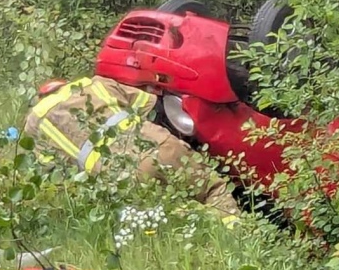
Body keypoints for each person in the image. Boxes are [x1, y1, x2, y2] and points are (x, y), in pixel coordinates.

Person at [24, 76, 239, 222]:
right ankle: (239, 235)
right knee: (213, 189)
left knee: (175, 215)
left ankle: (205, 228)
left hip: (121, 178)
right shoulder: (94, 83)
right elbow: (153, 106)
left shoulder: (36, 121)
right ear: (65, 83)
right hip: (160, 146)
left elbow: (50, 173)